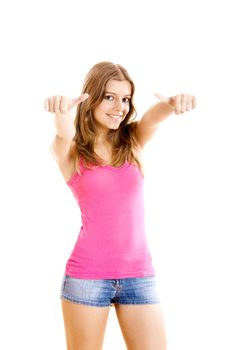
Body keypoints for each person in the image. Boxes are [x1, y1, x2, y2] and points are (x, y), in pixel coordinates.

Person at [44, 61, 196, 350]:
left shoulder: (133, 142)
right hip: (87, 277)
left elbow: (152, 118)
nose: (119, 107)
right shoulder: (71, 152)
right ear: (91, 98)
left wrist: (174, 104)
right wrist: (61, 111)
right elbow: (63, 134)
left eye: (125, 99)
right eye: (109, 97)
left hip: (139, 276)